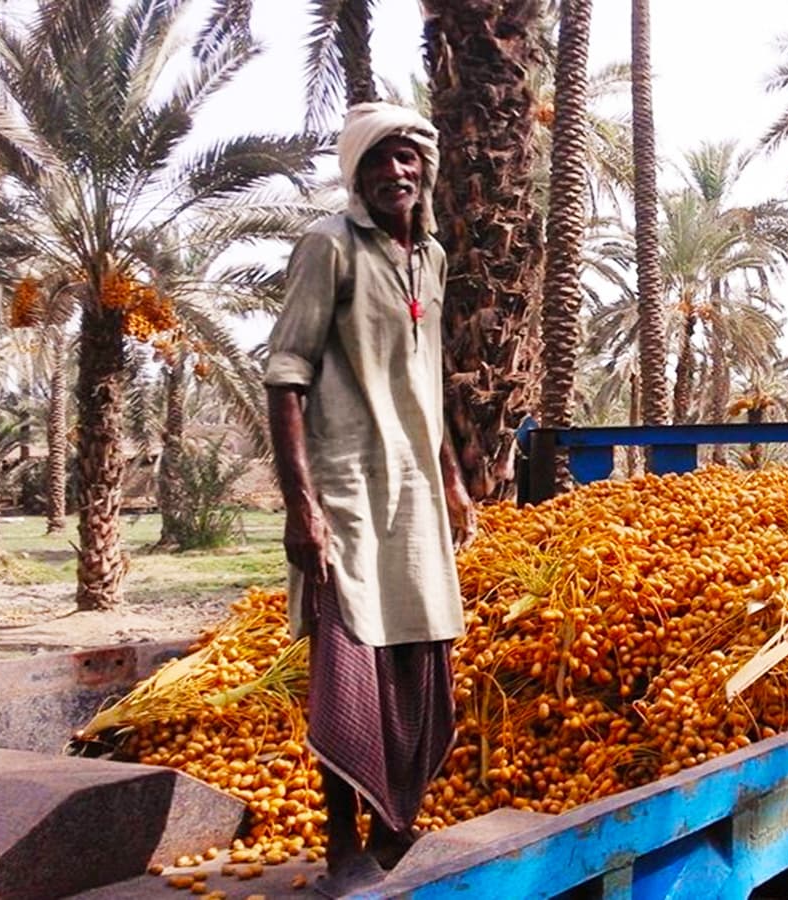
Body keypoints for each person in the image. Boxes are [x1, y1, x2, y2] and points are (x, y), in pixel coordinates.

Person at [264, 101, 477, 894]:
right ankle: (341, 846)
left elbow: (427, 376)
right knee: (351, 663)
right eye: (381, 159)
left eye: (409, 157)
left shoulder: (434, 258)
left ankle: (396, 828)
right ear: (357, 171)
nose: (398, 171)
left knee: (420, 652)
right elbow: (286, 375)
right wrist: (301, 505)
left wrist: (452, 476)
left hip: (415, 486)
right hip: (348, 484)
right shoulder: (329, 246)